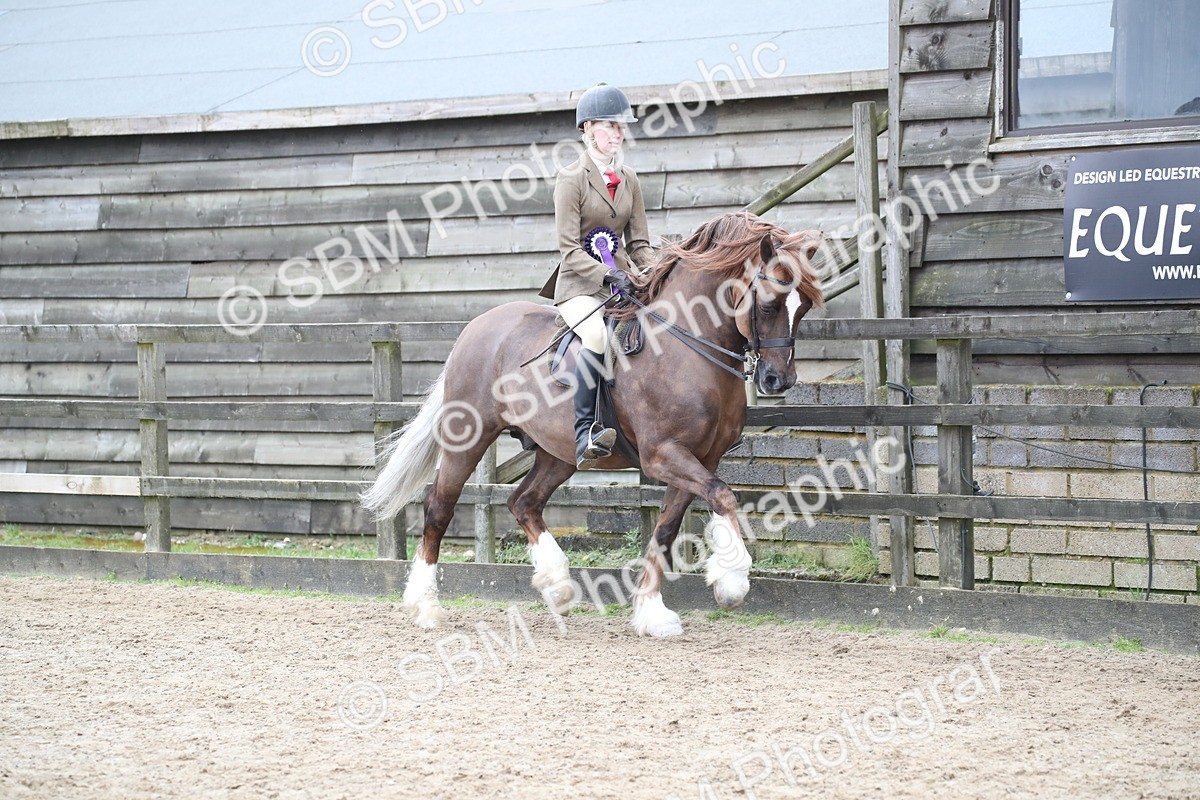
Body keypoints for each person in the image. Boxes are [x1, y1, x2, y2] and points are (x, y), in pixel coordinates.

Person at [539, 83, 655, 469]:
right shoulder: (571, 179)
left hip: (623, 283)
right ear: (588, 129)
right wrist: (608, 274)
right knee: (595, 334)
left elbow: (639, 243)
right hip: (579, 286)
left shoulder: (631, 179)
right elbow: (569, 249)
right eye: (611, 126)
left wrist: (652, 273)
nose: (618, 135)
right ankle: (586, 431)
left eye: (622, 128)